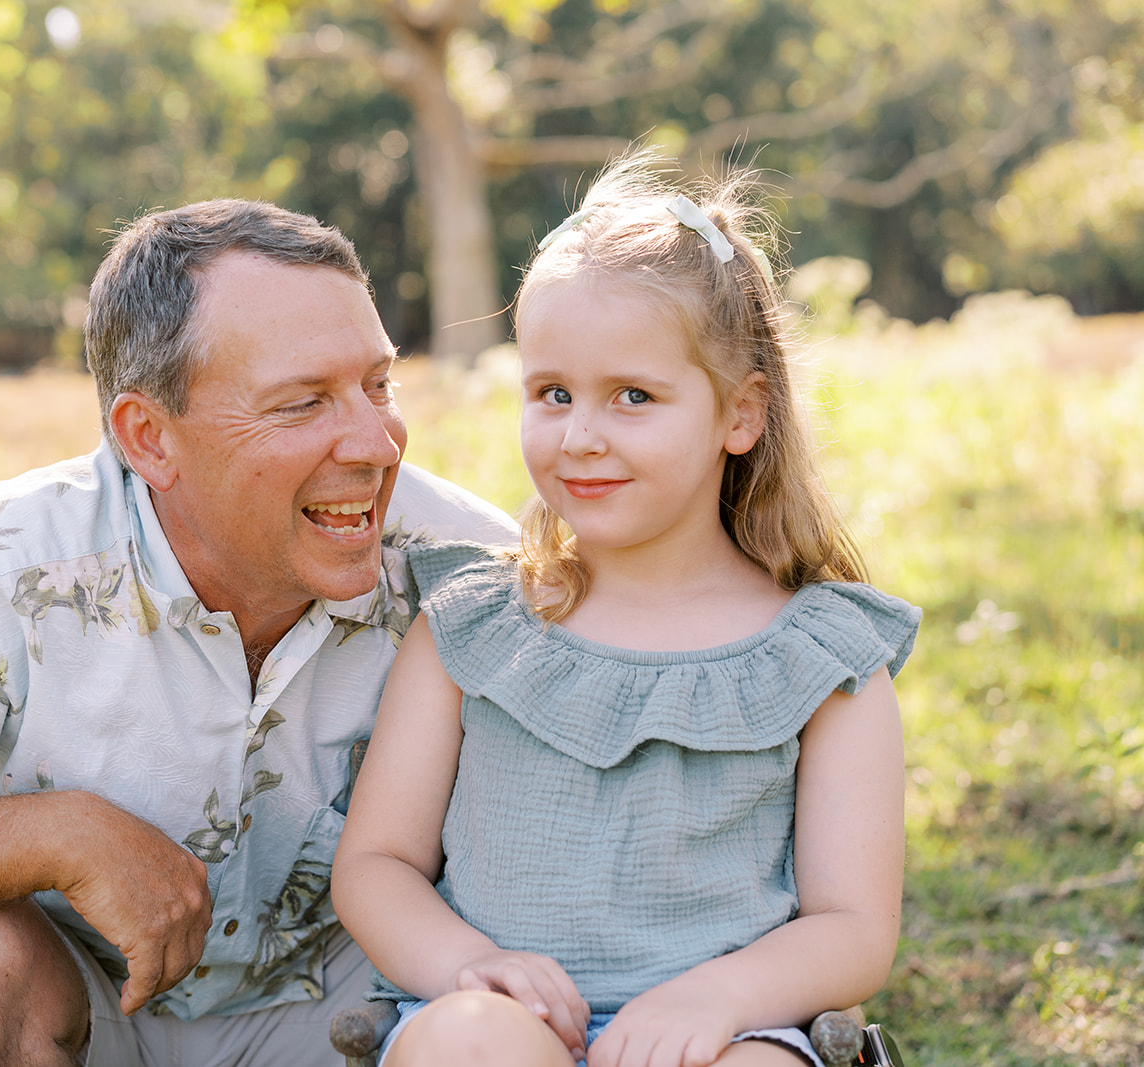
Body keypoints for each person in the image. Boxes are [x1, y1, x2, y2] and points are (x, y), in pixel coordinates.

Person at [0, 199, 516, 1067]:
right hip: (85, 1018)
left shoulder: (475, 569)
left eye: (379, 384)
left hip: (369, 1010)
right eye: (302, 404)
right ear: (149, 438)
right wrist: (59, 834)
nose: (378, 443)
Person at [330, 155, 921, 1067]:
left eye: (634, 397)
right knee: (470, 1049)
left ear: (741, 414)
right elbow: (376, 866)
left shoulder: (820, 655)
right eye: (552, 392)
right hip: (498, 1020)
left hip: (730, 1028)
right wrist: (471, 965)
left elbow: (853, 926)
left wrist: (716, 996)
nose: (582, 435)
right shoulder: (472, 625)